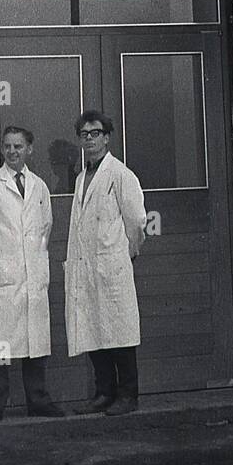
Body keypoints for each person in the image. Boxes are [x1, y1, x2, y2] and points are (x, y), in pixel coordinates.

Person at [0, 125, 64, 423]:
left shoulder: (40, 187)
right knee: (1, 344)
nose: (12, 151)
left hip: (31, 275)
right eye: (7, 146)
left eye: (18, 146)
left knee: (34, 343)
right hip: (1, 276)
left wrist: (32, 260)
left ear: (29, 149)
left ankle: (38, 401)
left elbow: (46, 227)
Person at [65, 112, 147, 416]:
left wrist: (127, 252)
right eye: (84, 134)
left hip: (113, 265)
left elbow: (137, 221)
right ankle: (104, 392)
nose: (89, 139)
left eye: (95, 133)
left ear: (107, 137)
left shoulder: (121, 174)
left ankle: (128, 395)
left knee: (119, 331)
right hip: (87, 267)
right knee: (93, 328)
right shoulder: (81, 177)